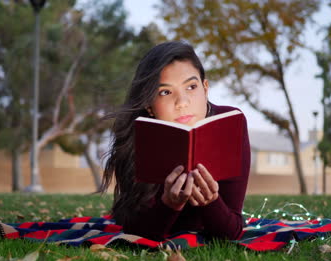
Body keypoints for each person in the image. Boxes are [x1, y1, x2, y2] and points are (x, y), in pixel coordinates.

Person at [101, 41, 250, 241]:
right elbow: (134, 232)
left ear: (205, 88)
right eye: (165, 92)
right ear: (149, 105)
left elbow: (232, 232)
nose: (182, 102)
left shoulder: (230, 123)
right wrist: (168, 205)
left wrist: (211, 201)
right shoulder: (136, 134)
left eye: (191, 87)